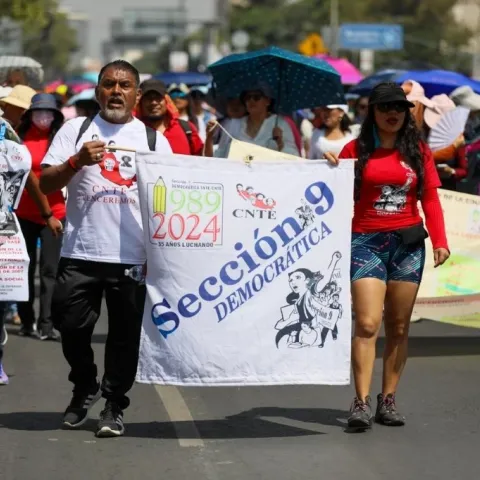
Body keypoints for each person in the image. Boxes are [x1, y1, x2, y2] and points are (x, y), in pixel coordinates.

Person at [40, 60, 173, 438]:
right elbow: (47, 183)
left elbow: (171, 195)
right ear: (98, 91)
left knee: (124, 337)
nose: (117, 91)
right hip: (81, 251)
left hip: (132, 257)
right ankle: (85, 386)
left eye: (125, 85)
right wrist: (77, 160)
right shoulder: (75, 130)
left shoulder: (152, 141)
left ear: (137, 94)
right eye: (109, 84)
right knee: (70, 326)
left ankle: (114, 404)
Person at [325, 83, 449, 430]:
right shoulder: (354, 149)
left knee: (397, 326)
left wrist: (440, 240)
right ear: (373, 113)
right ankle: (361, 402)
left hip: (407, 244)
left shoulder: (418, 151)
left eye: (399, 107)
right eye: (385, 108)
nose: (393, 113)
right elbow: (331, 192)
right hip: (366, 241)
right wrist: (331, 169)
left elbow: (431, 199)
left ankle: (388, 400)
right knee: (366, 323)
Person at [16, 93, 65, 339]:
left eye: (48, 113)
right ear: (30, 115)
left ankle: (47, 324)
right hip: (23, 213)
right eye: (38, 112)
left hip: (54, 214)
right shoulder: (19, 137)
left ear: (55, 115)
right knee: (24, 268)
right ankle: (26, 321)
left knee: (50, 270)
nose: (43, 117)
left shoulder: (62, 139)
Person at [207, 84, 298, 158]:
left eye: (256, 97)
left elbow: (294, 157)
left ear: (268, 101)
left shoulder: (281, 124)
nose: (251, 100)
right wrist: (209, 138)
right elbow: (217, 158)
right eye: (247, 97)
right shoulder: (233, 124)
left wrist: (280, 144)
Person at [137, 79, 203, 155]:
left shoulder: (186, 128)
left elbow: (203, 159)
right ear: (140, 103)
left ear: (167, 101)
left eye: (158, 98)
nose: (154, 102)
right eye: (148, 98)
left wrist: (209, 138)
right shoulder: (134, 131)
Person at [423, 95, 467, 191]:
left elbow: (464, 170)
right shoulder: (419, 134)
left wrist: (451, 171)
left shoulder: (457, 138)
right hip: (422, 186)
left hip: (446, 189)